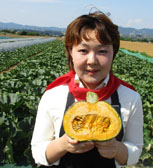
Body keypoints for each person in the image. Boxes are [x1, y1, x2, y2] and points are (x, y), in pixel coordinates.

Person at [31, 11, 143, 168]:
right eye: (83, 50)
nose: (92, 60)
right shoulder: (53, 95)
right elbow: (38, 151)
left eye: (102, 51)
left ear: (114, 53)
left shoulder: (131, 97)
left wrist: (117, 149)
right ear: (71, 51)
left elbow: (136, 150)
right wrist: (62, 145)